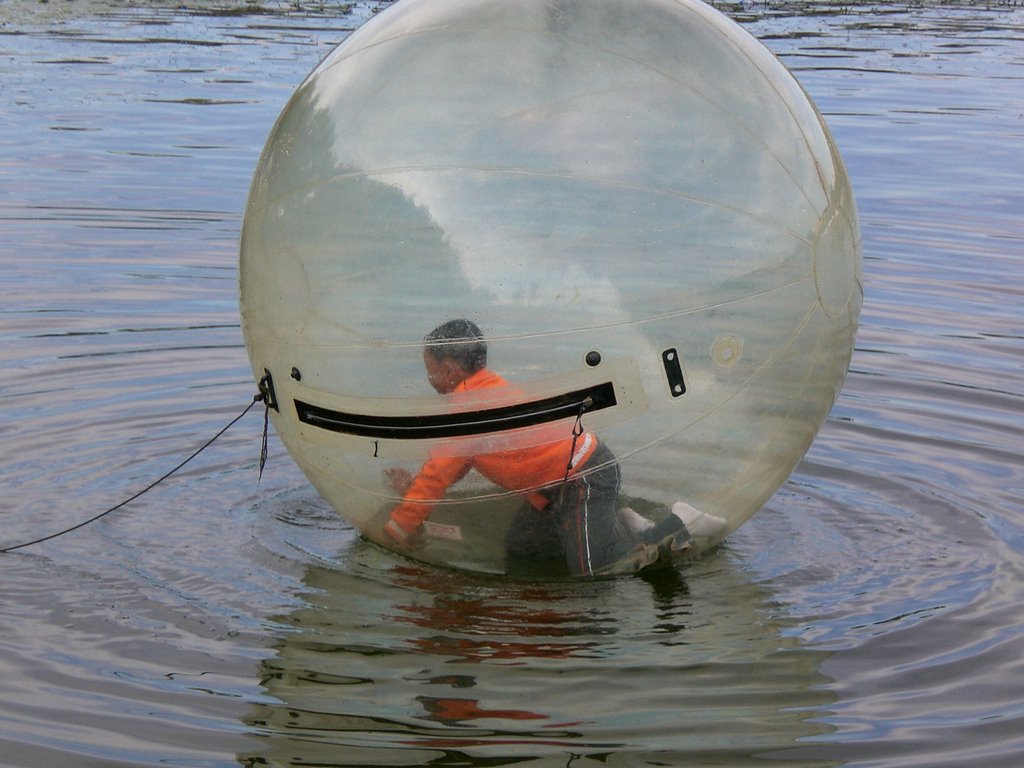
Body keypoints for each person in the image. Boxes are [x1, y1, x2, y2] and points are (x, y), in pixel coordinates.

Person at [382, 319, 725, 575]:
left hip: (583, 476)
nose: (430, 382)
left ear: (449, 368)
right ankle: (623, 526)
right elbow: (453, 464)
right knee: (524, 548)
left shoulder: (469, 408)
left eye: (431, 372)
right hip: (553, 489)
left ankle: (680, 522)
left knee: (594, 570)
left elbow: (436, 477)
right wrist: (412, 490)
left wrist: (396, 530)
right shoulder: (483, 393)